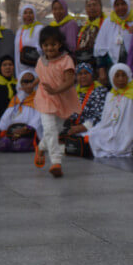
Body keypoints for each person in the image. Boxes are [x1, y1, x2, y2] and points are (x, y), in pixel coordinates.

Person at [31, 26, 79, 177]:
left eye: (53, 44)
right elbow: (42, 75)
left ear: (59, 44)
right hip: (45, 99)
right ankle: (56, 162)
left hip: (62, 99)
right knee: (50, 129)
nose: (49, 48)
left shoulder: (66, 60)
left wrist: (56, 91)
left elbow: (70, 81)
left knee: (55, 130)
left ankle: (42, 146)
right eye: (46, 45)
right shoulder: (41, 60)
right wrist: (32, 84)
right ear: (42, 46)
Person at [79, 63, 133, 159]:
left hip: (126, 131)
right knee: (93, 134)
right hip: (110, 127)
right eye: (117, 76)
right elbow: (105, 119)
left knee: (104, 139)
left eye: (123, 75)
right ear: (112, 78)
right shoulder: (111, 94)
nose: (120, 79)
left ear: (129, 76)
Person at [93, 0, 133, 83]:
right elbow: (100, 49)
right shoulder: (108, 22)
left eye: (123, 4)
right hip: (113, 68)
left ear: (128, 3)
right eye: (117, 5)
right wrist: (102, 71)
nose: (120, 7)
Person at [0, 70, 41, 153]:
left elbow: (39, 118)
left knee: (19, 146)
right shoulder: (16, 99)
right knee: (2, 145)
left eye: (31, 81)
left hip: (30, 133)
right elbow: (6, 117)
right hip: (13, 131)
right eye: (25, 81)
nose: (29, 84)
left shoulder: (40, 98)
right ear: (20, 83)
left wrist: (26, 129)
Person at [64, 62, 108, 136]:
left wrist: (81, 128)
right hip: (74, 127)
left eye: (86, 73)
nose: (83, 76)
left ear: (92, 75)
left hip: (92, 128)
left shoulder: (100, 91)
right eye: (80, 74)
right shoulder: (74, 91)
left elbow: (99, 116)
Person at [13, 3, 42, 80]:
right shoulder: (20, 31)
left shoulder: (39, 29)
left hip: (35, 67)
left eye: (30, 12)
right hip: (21, 68)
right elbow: (16, 52)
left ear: (34, 15)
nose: (28, 15)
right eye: (25, 13)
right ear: (22, 15)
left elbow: (42, 48)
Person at [76, 0, 105, 64]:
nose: (92, 8)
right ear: (86, 9)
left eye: (94, 5)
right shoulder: (85, 26)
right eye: (89, 6)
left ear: (100, 7)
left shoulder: (106, 24)